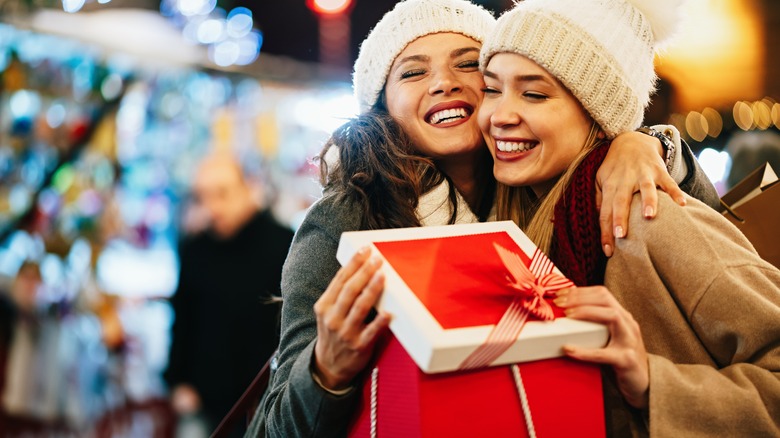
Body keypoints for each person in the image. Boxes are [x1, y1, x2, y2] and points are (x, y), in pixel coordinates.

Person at [255, 0, 721, 436]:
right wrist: (324, 371)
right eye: (413, 72)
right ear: (381, 107)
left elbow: (706, 222)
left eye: (467, 64)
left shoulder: (537, 185)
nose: (444, 82)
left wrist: (645, 145)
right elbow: (271, 425)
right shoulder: (347, 218)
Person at [476, 0, 780, 435]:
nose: (500, 116)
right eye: (491, 89)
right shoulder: (506, 218)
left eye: (535, 93)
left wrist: (655, 383)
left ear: (599, 117)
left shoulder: (646, 217)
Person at [164, 154, 294, 435]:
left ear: (248, 187)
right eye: (203, 197)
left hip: (269, 401)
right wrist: (178, 382)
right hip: (203, 401)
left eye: (222, 194)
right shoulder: (194, 249)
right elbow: (182, 319)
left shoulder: (284, 243)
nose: (213, 207)